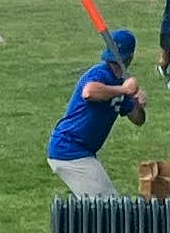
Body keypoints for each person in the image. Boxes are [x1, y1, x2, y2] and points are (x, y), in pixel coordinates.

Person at [45, 27, 145, 195]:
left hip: (81, 151)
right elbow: (89, 92)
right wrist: (123, 90)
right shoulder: (100, 73)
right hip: (70, 150)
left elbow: (138, 120)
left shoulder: (122, 81)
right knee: (109, 208)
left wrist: (136, 102)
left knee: (101, 209)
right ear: (131, 55)